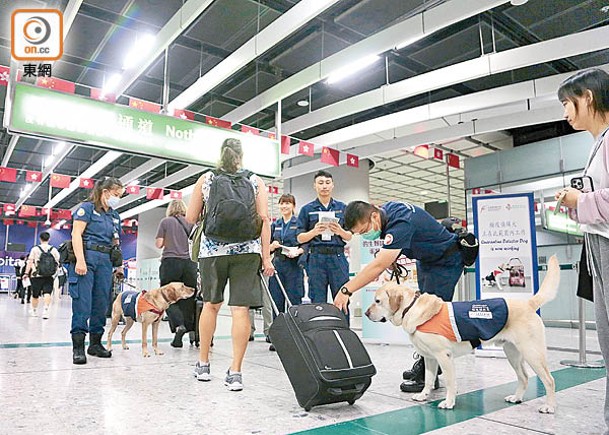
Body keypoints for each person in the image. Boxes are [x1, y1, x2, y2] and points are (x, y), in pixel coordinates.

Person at [334, 200, 465, 393]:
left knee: (431, 319)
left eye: (363, 231)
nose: (364, 236)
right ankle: (425, 363)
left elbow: (378, 266)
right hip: (427, 260)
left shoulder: (401, 222)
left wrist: (346, 290)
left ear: (374, 216)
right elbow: (392, 248)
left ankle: (429, 377)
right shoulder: (388, 212)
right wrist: (393, 255)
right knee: (422, 316)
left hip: (445, 261)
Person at [187, 138, 274, 391]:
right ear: (242, 155)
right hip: (247, 251)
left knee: (211, 306)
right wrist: (266, 257)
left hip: (212, 251)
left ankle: (203, 365)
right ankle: (235, 372)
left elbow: (191, 217)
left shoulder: (207, 179)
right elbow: (264, 220)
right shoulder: (256, 181)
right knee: (240, 310)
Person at [554, 68, 609, 434]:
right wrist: (577, 204)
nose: (565, 113)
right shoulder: (599, 143)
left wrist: (581, 199)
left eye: (567, 103)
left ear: (587, 96)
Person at [69, 177, 125, 365]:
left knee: (101, 303)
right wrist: (80, 260)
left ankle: (95, 344)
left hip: (105, 261)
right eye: (116, 195)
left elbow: (116, 241)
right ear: (105, 191)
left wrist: (119, 265)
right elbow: (76, 234)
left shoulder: (114, 215)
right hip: (87, 256)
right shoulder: (87, 209)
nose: (117, 198)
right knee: (83, 303)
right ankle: (78, 347)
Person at [296, 171, 352, 318]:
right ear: (315, 186)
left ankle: (343, 336)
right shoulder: (307, 210)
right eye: (320, 183)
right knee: (317, 301)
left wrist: (340, 230)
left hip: (337, 257)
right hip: (316, 257)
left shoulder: (342, 208)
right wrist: (314, 232)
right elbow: (300, 238)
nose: (324, 186)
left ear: (333, 185)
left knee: (342, 298)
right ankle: (319, 337)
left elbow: (349, 236)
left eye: (327, 183)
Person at [155, 199, 198, 348]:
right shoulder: (190, 223)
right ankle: (193, 330)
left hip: (170, 262)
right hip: (189, 264)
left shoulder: (165, 222)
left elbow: (159, 244)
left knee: (168, 297)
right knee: (189, 297)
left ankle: (179, 326)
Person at [268, 194, 305, 351]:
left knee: (293, 300)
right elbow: (267, 245)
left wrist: (298, 251)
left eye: (288, 204)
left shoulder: (299, 224)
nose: (284, 206)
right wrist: (272, 246)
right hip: (277, 266)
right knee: (276, 301)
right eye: (282, 204)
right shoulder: (275, 224)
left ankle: (295, 336)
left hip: (293, 266)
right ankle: (279, 337)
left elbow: (305, 244)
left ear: (293, 206)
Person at [24, 232, 60, 319]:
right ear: (49, 239)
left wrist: (26, 273)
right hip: (49, 275)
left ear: (40, 239)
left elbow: (30, 262)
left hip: (36, 275)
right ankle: (46, 311)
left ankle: (34, 311)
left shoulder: (35, 249)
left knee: (35, 294)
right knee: (47, 293)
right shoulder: (54, 250)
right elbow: (57, 262)